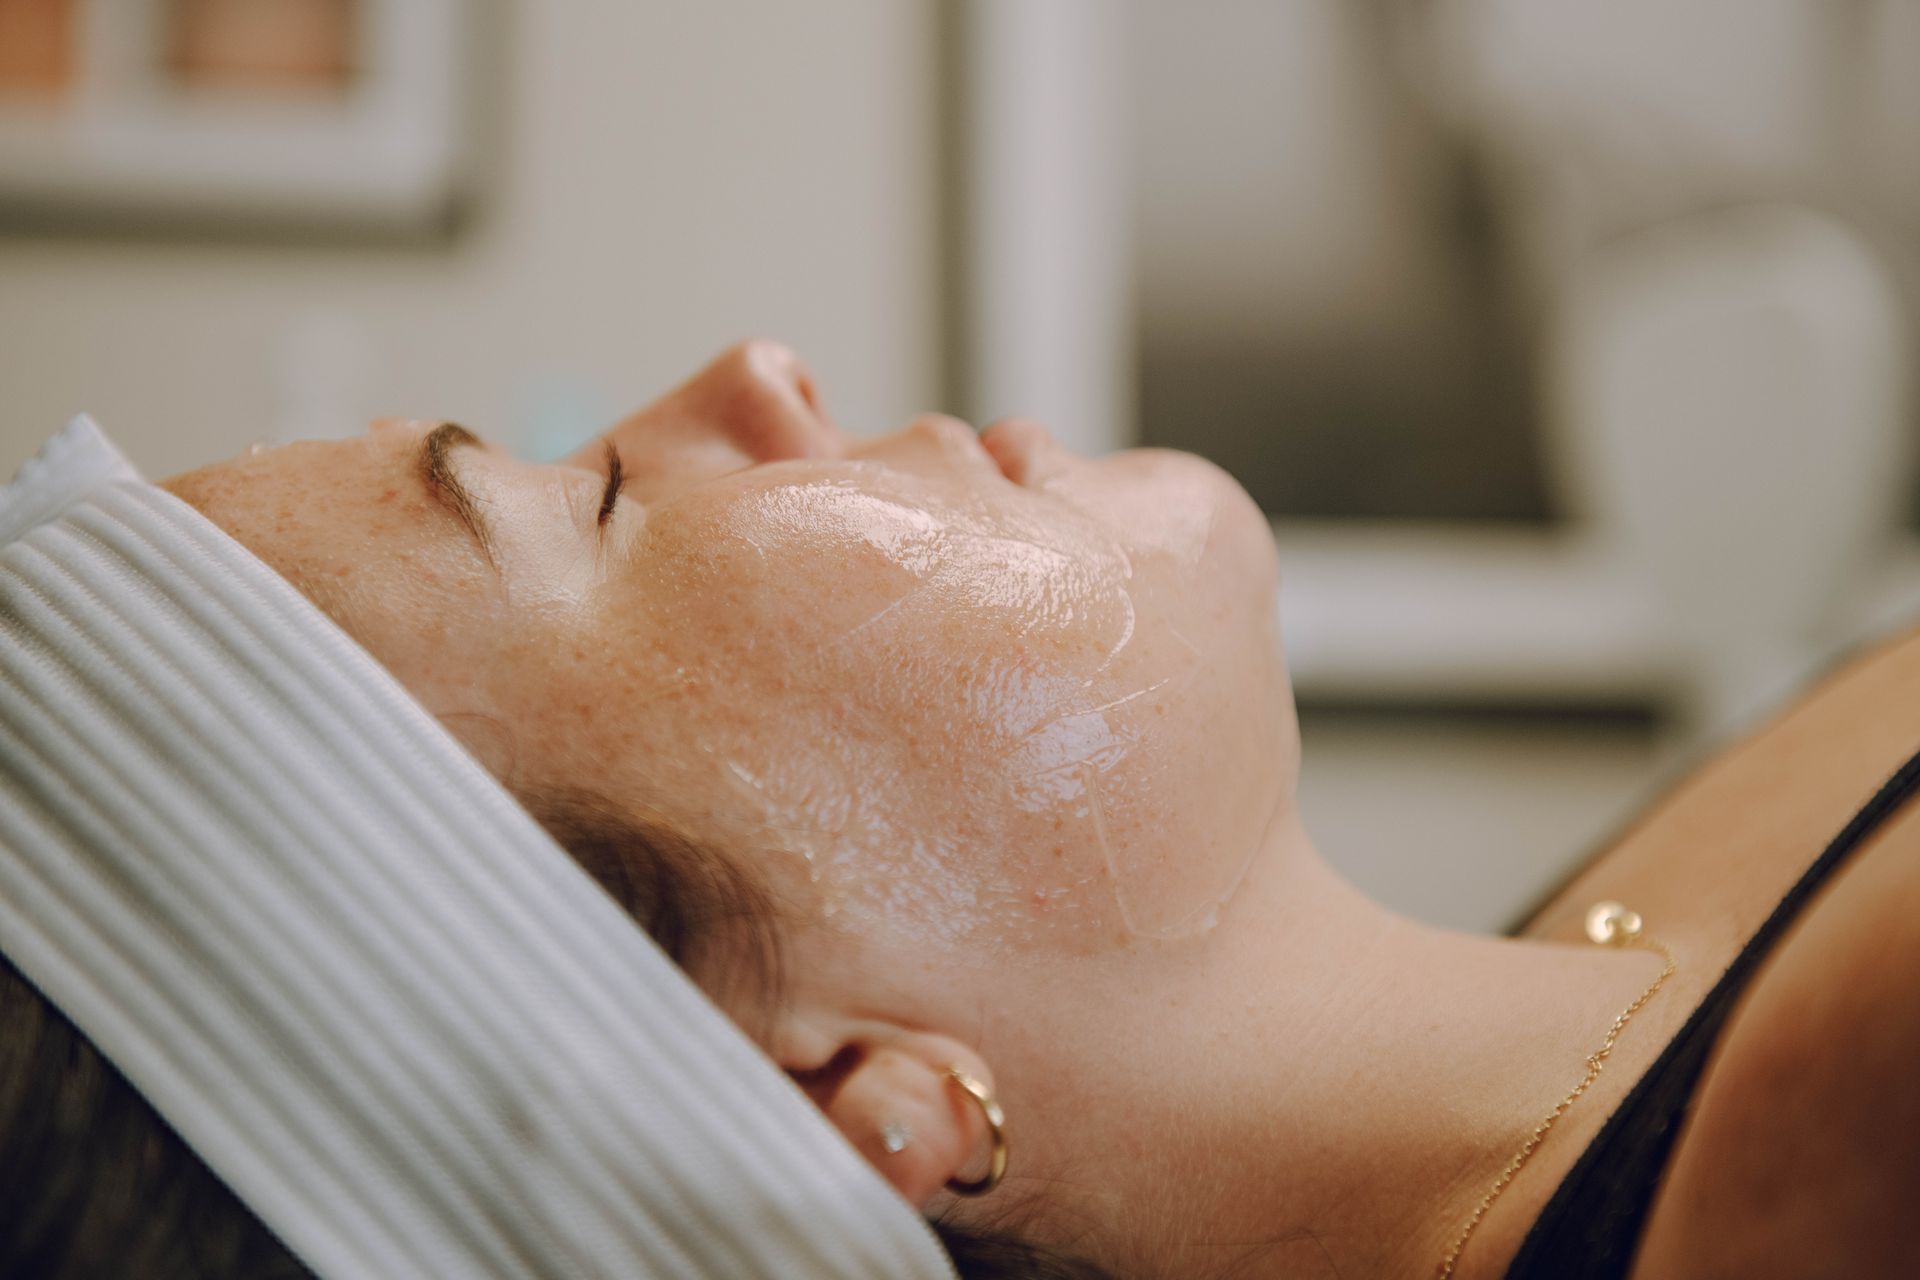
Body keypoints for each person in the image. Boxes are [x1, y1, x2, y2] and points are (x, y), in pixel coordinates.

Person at [6, 339, 1918, 1278]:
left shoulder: (1597, 1005)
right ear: (839, 1102)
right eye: (593, 500)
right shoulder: (1862, 1089)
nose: (750, 382)